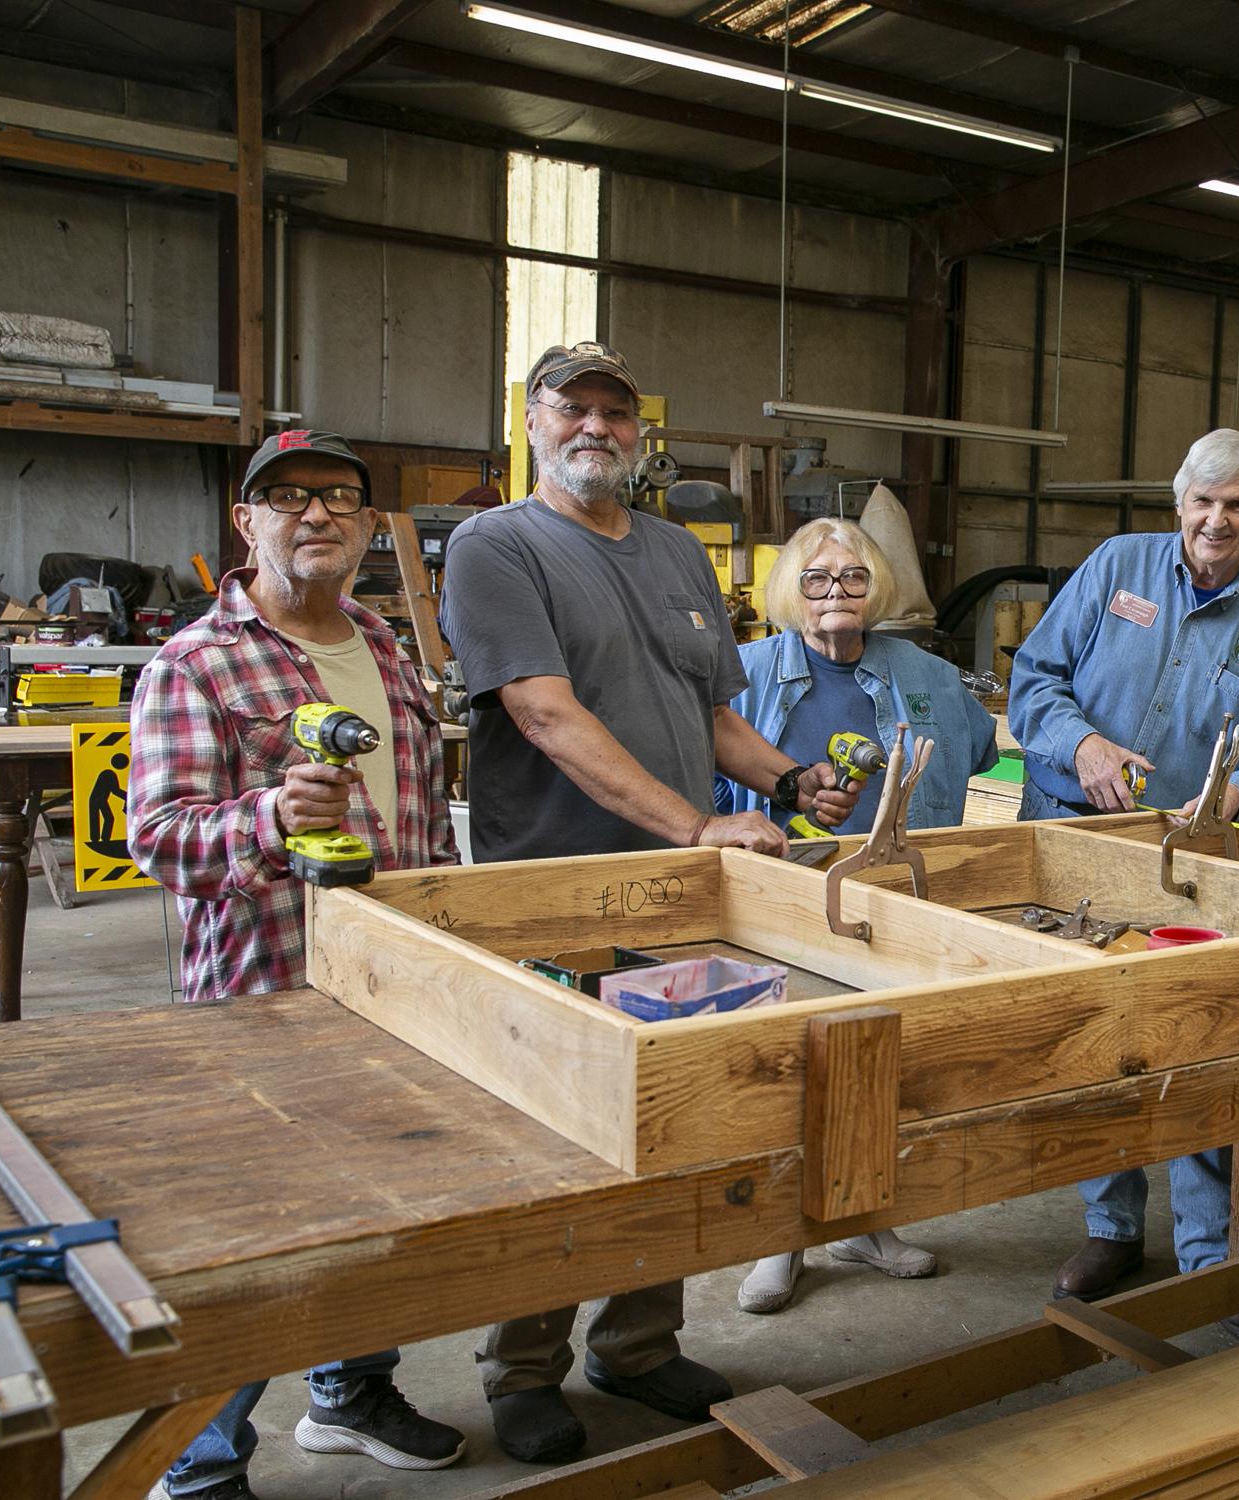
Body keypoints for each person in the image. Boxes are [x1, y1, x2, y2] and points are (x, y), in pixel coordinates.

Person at [439, 342, 860, 1464]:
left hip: (683, 895)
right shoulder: (496, 546)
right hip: (557, 893)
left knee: (679, 1121)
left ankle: (636, 1343)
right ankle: (520, 1368)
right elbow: (542, 713)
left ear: (639, 433)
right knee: (561, 1138)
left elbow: (714, 710)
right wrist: (694, 821)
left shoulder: (676, 552)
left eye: (615, 413)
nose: (595, 427)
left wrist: (784, 780)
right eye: (571, 407)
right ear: (533, 421)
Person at [129, 429, 465, 1499]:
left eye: (339, 499)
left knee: (389, 1211)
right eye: (286, 497)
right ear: (247, 523)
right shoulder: (196, 662)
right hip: (263, 995)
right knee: (249, 1243)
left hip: (399, 985)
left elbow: (421, 818)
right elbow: (159, 837)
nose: (315, 515)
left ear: (369, 527)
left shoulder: (387, 643)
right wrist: (269, 816)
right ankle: (200, 1460)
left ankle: (349, 1394)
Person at [1008, 427, 1239, 1302]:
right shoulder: (1116, 569)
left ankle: (1206, 1254)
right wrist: (1085, 749)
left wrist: (1235, 794)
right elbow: (1034, 680)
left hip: (1184, 865)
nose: (1217, 521)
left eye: (1238, 506)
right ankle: (1110, 1229)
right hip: (1072, 840)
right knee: (1092, 1045)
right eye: (1203, 502)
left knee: (1195, 1047)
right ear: (1178, 503)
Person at [719, 516, 999, 1312]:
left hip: (894, 898)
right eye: (816, 579)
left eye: (852, 578)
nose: (835, 593)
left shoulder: (927, 674)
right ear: (790, 593)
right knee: (785, 1066)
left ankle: (867, 1223)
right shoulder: (747, 672)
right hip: (784, 898)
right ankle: (782, 1240)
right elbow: (710, 784)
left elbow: (976, 751)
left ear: (876, 589)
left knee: (884, 1064)